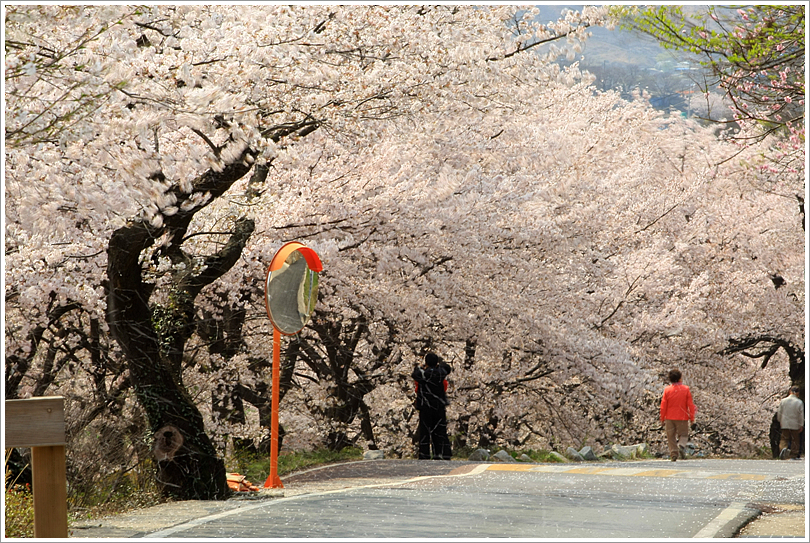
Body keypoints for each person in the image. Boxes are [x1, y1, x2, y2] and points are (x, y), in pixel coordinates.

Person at [412, 352, 452, 460]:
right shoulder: (441, 373)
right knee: (440, 430)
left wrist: (421, 367)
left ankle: (424, 454)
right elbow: (447, 367)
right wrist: (438, 365)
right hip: (439, 406)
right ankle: (441, 453)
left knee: (425, 431)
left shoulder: (422, 374)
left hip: (425, 406)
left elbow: (415, 373)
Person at [660, 369, 696, 462]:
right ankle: (681, 445)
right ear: (680, 378)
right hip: (682, 417)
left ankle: (673, 454)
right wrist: (692, 418)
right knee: (683, 435)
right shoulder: (685, 389)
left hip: (669, 417)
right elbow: (690, 405)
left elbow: (663, 405)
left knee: (670, 436)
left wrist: (662, 418)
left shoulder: (667, 390)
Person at [777, 386, 804, 460]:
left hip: (785, 423)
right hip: (795, 424)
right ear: (798, 393)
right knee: (795, 439)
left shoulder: (783, 401)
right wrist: (801, 424)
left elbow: (779, 412)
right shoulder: (799, 402)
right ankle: (794, 454)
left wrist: (780, 420)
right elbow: (801, 415)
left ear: (790, 391)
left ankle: (783, 449)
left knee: (784, 439)